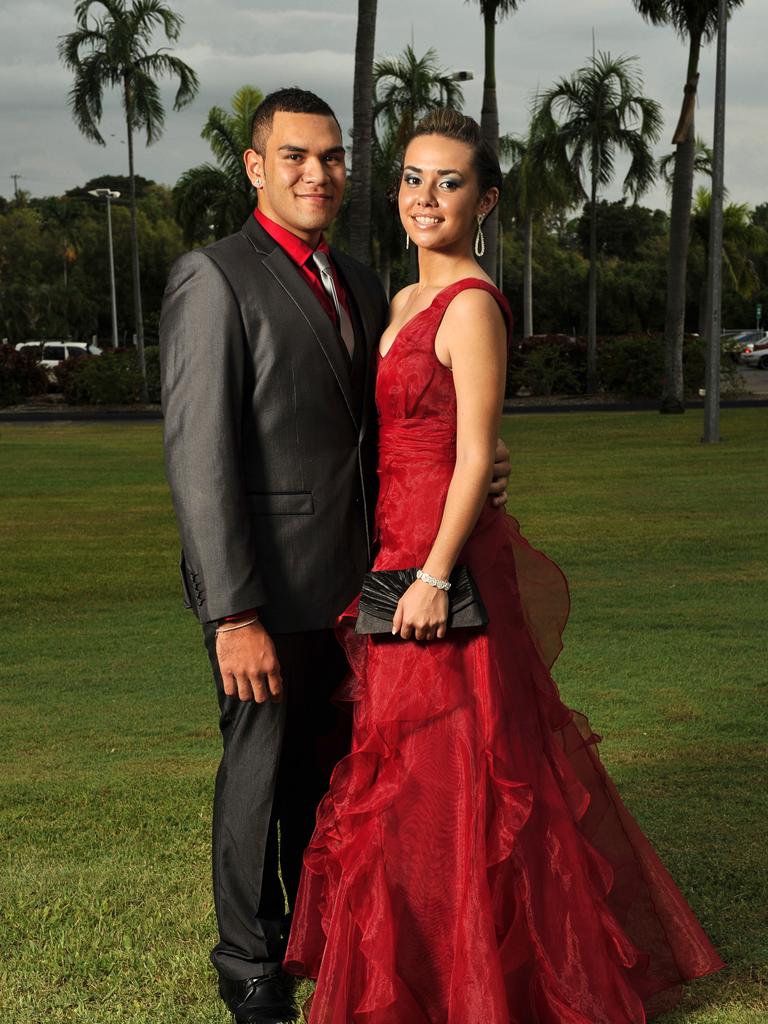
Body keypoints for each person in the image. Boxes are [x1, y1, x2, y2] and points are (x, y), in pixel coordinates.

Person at [283, 108, 724, 1023]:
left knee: (467, 763)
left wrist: (437, 577)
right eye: (411, 177)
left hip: (441, 561)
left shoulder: (472, 304)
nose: (425, 197)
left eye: (449, 182)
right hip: (400, 547)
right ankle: (432, 961)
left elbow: (477, 455)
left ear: (484, 200)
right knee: (408, 768)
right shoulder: (400, 301)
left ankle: (493, 979)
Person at [160, 89, 510, 1024]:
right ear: (255, 167)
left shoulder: (361, 279)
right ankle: (249, 964)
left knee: (328, 778)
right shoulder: (215, 276)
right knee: (260, 770)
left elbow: (394, 420)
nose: (317, 173)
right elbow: (200, 462)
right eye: (295, 157)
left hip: (364, 586)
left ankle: (323, 936)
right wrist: (231, 613)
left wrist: (476, 462)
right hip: (263, 593)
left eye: (332, 158)